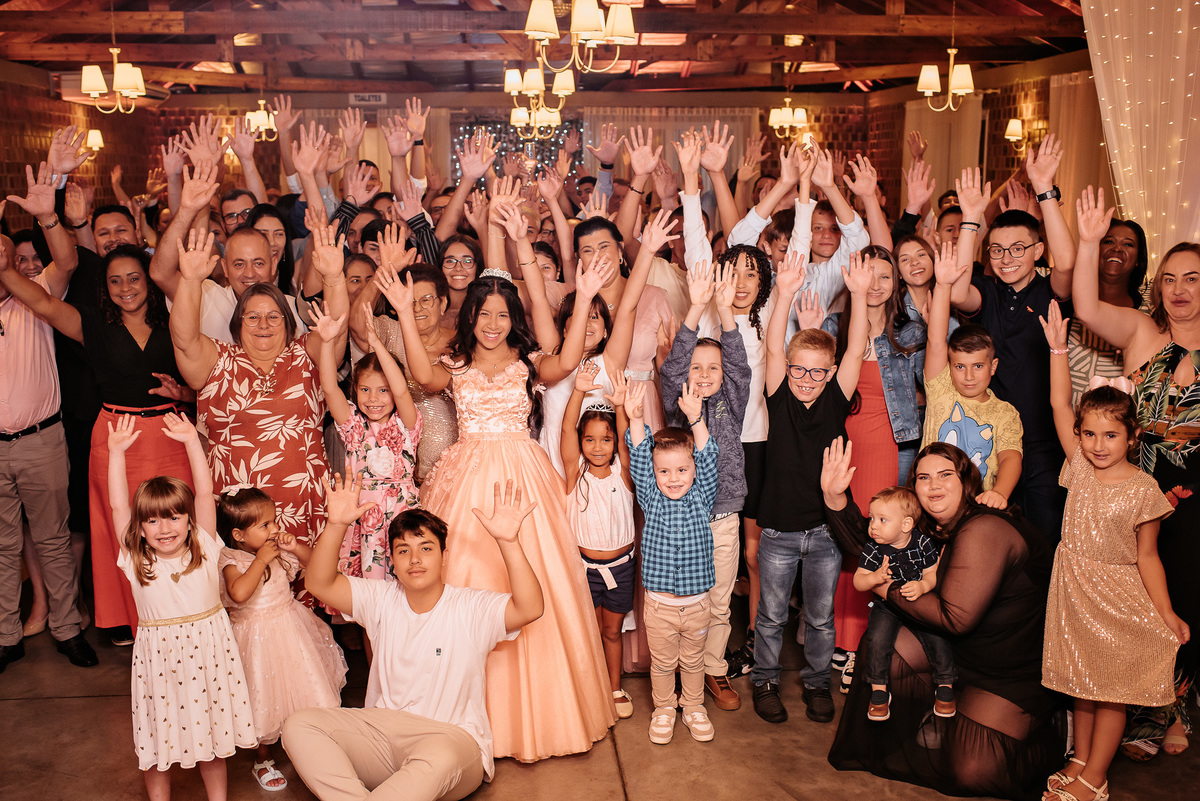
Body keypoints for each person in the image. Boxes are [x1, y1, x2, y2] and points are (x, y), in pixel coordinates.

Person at [386, 269, 617, 760]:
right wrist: (404, 311)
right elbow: (424, 376)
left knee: (536, 580)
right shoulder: (456, 363)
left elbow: (568, 361)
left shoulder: (529, 362)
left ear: (514, 320)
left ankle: (537, 717)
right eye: (484, 314)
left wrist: (585, 297)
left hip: (522, 476)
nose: (492, 324)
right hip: (466, 478)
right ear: (469, 316)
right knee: (466, 579)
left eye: (502, 315)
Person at [824, 439, 1062, 801]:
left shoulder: (985, 528)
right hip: (958, 653)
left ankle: (1057, 726)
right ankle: (938, 711)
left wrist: (883, 588)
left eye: (945, 475)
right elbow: (871, 545)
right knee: (884, 646)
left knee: (973, 772)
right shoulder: (935, 527)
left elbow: (955, 618)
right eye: (923, 477)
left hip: (1008, 671)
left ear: (966, 481)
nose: (933, 485)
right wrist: (834, 497)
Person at [284, 477, 544, 801]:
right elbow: (320, 583)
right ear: (392, 560)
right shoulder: (380, 598)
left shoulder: (471, 607)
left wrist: (509, 541)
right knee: (298, 725)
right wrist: (336, 524)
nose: (415, 559)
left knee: (440, 756)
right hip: (381, 733)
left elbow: (530, 607)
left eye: (426, 548)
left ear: (444, 555)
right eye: (403, 550)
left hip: (450, 741)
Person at [0, 243, 194, 647]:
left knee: (176, 523)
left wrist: (184, 395)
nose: (126, 288)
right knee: (119, 530)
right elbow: (42, 302)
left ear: (149, 281)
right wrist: (4, 269)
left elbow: (203, 378)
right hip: (116, 437)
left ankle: (183, 615)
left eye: (134, 278)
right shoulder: (93, 324)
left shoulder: (174, 317)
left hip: (171, 434)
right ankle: (128, 618)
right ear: (105, 288)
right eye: (115, 281)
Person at [1070, 186, 1200, 758]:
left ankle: (1176, 710)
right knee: (1135, 604)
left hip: (1194, 499)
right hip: (1133, 493)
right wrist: (1089, 240)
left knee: (1186, 599)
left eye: (1191, 278)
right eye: (1169, 278)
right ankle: (1138, 710)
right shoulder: (1144, 334)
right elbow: (1085, 308)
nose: (1178, 288)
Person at [1039, 300, 1186, 801]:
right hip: (1074, 589)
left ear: (1131, 436)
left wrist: (1166, 613)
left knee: (1109, 692)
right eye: (1089, 434)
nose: (1098, 445)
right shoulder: (1079, 467)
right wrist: (1058, 350)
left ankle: (1096, 778)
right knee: (1081, 684)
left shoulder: (1144, 489)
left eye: (1110, 435)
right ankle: (1080, 760)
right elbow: (1059, 404)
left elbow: (1148, 556)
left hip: (1116, 598)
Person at [107, 413, 257, 800]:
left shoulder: (204, 546)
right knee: (157, 744)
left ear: (190, 522)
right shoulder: (136, 559)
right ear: (140, 529)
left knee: (212, 738)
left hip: (208, 655)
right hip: (158, 662)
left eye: (174, 517)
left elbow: (205, 494)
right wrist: (116, 454)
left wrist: (192, 441)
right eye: (152, 521)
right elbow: (118, 506)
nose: (165, 528)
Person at [170, 224, 348, 548]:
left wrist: (334, 277)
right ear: (238, 325)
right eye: (252, 317)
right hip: (238, 518)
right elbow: (183, 340)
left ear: (288, 323)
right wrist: (190, 280)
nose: (263, 324)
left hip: (304, 506)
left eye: (273, 317)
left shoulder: (306, 355)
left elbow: (334, 330)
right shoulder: (218, 360)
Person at [750, 249, 871, 726]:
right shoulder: (779, 396)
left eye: (818, 371)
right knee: (771, 616)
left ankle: (818, 684)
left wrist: (858, 295)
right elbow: (773, 350)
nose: (806, 379)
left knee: (820, 618)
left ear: (831, 372)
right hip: (778, 531)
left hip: (824, 533)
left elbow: (855, 348)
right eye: (799, 369)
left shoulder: (836, 399)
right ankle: (765, 681)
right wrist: (783, 294)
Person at [944, 143, 1078, 543]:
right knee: (988, 542)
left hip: (1042, 443)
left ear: (1037, 251)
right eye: (998, 250)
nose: (1006, 258)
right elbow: (957, 291)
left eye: (1018, 249)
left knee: (1043, 540)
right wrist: (971, 219)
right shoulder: (987, 291)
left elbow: (1067, 263)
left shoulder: (1051, 292)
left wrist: (1044, 188)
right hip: (989, 441)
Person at [822, 244, 927, 692]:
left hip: (889, 441)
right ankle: (842, 640)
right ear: (853, 278)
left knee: (880, 537)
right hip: (845, 442)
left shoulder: (910, 330)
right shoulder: (835, 325)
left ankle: (868, 643)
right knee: (844, 537)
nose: (876, 284)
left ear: (897, 283)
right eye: (869, 275)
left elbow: (929, 384)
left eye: (886, 276)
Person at [0, 232, 96, 674]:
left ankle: (67, 628)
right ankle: (6, 636)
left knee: (54, 539)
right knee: (2, 546)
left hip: (42, 440)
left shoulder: (37, 296)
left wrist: (48, 217)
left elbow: (67, 260)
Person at [660, 259, 751, 712]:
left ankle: (713, 667)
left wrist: (725, 310)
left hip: (723, 518)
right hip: (683, 520)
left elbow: (739, 365)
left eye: (713, 367)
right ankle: (682, 671)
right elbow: (673, 367)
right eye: (696, 367)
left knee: (718, 600)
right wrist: (696, 310)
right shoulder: (677, 404)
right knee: (682, 598)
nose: (704, 373)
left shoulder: (731, 400)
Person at [216, 486, 347, 792]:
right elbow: (239, 593)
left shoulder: (276, 548)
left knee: (306, 686)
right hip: (256, 640)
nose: (275, 529)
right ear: (238, 535)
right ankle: (263, 758)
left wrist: (296, 546)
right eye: (265, 525)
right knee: (264, 696)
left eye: (274, 521)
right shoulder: (231, 558)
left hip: (291, 629)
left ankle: (313, 745)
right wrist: (261, 560)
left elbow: (316, 563)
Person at [624, 378, 720, 745]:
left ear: (694, 470)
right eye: (664, 471)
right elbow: (639, 456)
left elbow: (708, 455)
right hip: (659, 607)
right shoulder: (651, 497)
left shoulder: (702, 495)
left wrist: (696, 420)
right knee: (663, 664)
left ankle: (693, 705)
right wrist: (635, 419)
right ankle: (664, 708)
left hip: (697, 605)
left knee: (693, 661)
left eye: (682, 470)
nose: (673, 478)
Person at [316, 304, 420, 583]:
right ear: (355, 390)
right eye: (365, 390)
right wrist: (327, 342)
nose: (373, 398)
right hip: (363, 518)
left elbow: (401, 390)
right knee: (367, 589)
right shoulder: (353, 424)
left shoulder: (407, 423)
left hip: (401, 515)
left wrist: (376, 344)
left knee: (403, 586)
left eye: (383, 390)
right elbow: (329, 387)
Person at [561, 364, 636, 720]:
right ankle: (590, 691)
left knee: (611, 631)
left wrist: (620, 405)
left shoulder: (624, 474)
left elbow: (626, 438)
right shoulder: (575, 474)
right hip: (585, 570)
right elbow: (565, 429)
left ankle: (614, 687)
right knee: (589, 632)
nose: (598, 446)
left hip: (621, 569)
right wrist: (578, 391)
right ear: (581, 442)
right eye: (589, 439)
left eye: (605, 439)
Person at [924, 240, 1024, 505]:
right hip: (930, 504)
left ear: (993, 367)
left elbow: (1011, 457)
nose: (968, 376)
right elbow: (936, 341)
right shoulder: (942, 389)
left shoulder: (1005, 413)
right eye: (960, 367)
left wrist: (999, 493)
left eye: (978, 366)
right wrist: (943, 285)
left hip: (975, 507)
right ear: (950, 367)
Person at [853, 486, 954, 723]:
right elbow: (858, 581)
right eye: (871, 519)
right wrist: (874, 578)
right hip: (887, 606)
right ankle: (879, 692)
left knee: (938, 635)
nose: (873, 526)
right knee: (877, 639)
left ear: (906, 524)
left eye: (882, 520)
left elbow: (932, 574)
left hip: (918, 602)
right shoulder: (873, 548)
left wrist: (923, 586)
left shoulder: (922, 542)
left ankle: (945, 685)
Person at [354, 264, 458, 485]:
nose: (417, 308)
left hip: (452, 467)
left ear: (443, 303)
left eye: (426, 300)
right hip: (394, 466)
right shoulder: (391, 331)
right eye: (410, 300)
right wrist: (383, 270)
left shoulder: (461, 343)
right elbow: (358, 326)